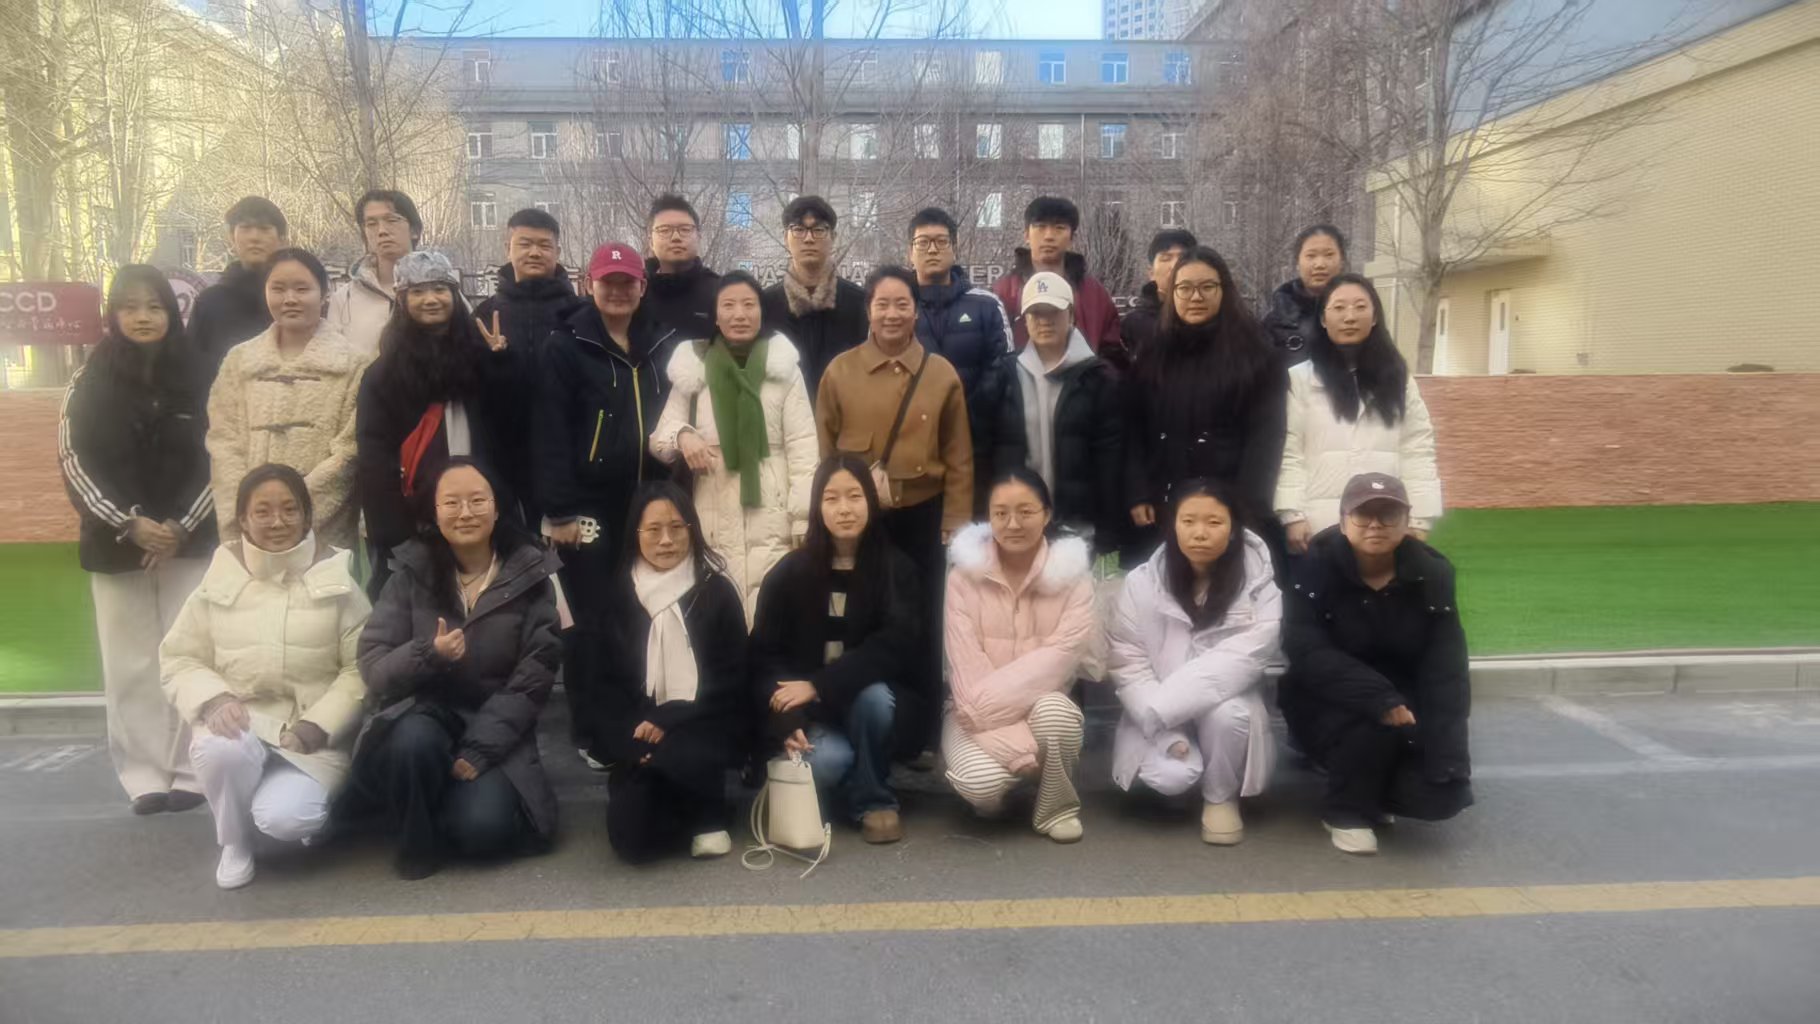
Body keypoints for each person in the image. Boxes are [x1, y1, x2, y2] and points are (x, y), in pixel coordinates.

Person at [160, 464, 370, 889]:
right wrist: (215, 699)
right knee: (220, 750)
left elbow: (360, 667)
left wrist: (317, 726)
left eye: (290, 509)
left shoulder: (339, 582)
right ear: (243, 519)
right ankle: (234, 842)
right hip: (243, 725)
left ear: (307, 517)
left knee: (288, 819)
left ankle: (278, 807)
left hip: (310, 739)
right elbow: (180, 657)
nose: (277, 521)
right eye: (263, 511)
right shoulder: (218, 580)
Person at [355, 459, 562, 879]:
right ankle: (416, 839)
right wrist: (427, 654)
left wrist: (480, 748)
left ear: (497, 508)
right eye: (451, 502)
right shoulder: (410, 572)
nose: (465, 513)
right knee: (411, 742)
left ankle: (452, 799)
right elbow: (374, 664)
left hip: (496, 726)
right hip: (425, 714)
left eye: (477, 501)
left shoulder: (531, 574)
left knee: (483, 832)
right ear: (434, 512)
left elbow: (533, 680)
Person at [58, 265, 215, 814]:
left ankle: (193, 768)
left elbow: (221, 453)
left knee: (191, 652)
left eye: (154, 306)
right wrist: (128, 524)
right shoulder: (88, 379)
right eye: (130, 307)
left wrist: (179, 526)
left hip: (188, 539)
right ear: (113, 315)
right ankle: (144, 773)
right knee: (129, 663)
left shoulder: (202, 374)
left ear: (172, 312)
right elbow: (74, 460)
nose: (143, 317)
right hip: (115, 541)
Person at [534, 242, 677, 765]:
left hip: (648, 500)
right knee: (591, 619)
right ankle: (592, 730)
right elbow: (549, 430)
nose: (617, 291)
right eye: (607, 282)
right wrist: (560, 510)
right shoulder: (567, 344)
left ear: (642, 286)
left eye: (627, 282)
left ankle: (639, 716)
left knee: (643, 609)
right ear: (588, 285)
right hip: (588, 505)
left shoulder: (661, 341)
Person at [1278, 473, 1472, 855]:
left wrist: (1449, 758)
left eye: (1388, 515)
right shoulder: (1312, 567)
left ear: (1407, 521)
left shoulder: (1433, 573)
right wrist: (1379, 697)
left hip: (1403, 700)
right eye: (1363, 515)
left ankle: (1370, 788)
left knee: (1440, 796)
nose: (1375, 525)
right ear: (1343, 520)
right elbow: (1306, 651)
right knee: (1372, 728)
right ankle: (1344, 811)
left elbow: (1446, 671)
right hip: (1325, 698)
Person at [815, 266, 972, 740]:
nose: (892, 314)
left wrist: (956, 520)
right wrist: (830, 509)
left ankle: (920, 733)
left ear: (916, 311)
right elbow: (823, 449)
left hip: (924, 518)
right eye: (882, 304)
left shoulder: (940, 374)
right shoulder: (840, 371)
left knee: (924, 620)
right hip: (861, 521)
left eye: (902, 303)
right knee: (863, 617)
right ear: (868, 310)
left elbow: (959, 455)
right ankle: (858, 721)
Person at [751, 455, 924, 844]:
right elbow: (763, 656)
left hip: (873, 705)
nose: (844, 509)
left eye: (854, 496)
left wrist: (819, 685)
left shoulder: (896, 569)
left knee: (874, 698)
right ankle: (855, 778)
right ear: (817, 506)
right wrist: (786, 719)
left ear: (871, 501)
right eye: (831, 498)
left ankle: (875, 800)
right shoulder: (789, 573)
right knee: (829, 762)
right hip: (814, 716)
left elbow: (894, 646)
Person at [1107, 478, 1280, 845]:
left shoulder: (1259, 585)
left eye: (1214, 522)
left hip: (1218, 701)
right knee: (1171, 778)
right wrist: (1165, 729)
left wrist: (1163, 708)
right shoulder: (1141, 582)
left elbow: (1247, 656)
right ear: (1172, 525)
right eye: (1188, 521)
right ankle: (1189, 769)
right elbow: (1128, 664)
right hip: (1155, 705)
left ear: (1233, 528)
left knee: (1228, 715)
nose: (1200, 533)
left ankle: (1220, 797)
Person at [585, 483, 747, 863]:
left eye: (677, 528)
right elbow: (601, 685)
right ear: (635, 533)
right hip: (638, 731)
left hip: (701, 723)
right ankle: (685, 806)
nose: (666, 540)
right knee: (631, 841)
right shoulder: (618, 596)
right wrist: (632, 741)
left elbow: (733, 677)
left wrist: (670, 717)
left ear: (692, 529)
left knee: (685, 757)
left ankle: (708, 809)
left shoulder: (716, 592)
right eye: (653, 529)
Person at [357, 251, 533, 596]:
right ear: (402, 299)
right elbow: (374, 455)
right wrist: (394, 532)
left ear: (454, 294)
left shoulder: (480, 357)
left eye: (440, 289)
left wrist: (503, 364)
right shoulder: (383, 374)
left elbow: (512, 429)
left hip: (484, 511)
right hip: (416, 519)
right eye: (418, 291)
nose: (431, 299)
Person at [650, 271, 817, 620]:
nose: (739, 314)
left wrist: (803, 519)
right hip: (711, 506)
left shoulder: (784, 369)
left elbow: (803, 448)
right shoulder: (693, 368)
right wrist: (684, 435)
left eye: (748, 305)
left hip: (772, 509)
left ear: (761, 311)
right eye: (728, 305)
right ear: (715, 315)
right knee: (719, 609)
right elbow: (660, 442)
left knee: (772, 608)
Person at [942, 468, 1094, 843]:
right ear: (989, 517)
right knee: (980, 786)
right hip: (970, 711)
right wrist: (1019, 750)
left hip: (1037, 707)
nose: (1013, 524)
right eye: (1001, 513)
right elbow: (965, 668)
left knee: (1057, 715)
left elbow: (1061, 657)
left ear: (1047, 514)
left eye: (1025, 512)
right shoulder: (962, 578)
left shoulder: (1073, 578)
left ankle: (1057, 806)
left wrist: (1000, 726)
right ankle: (1023, 778)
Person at [1122, 246, 1286, 568]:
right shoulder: (1153, 354)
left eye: (1207, 287)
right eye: (1184, 288)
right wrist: (1138, 491)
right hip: (1165, 500)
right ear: (1171, 293)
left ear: (1224, 290)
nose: (1195, 297)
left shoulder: (1256, 354)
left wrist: (1247, 505)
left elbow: (1266, 437)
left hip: (1231, 502)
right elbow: (1134, 428)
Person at [207, 248, 370, 551]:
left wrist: (296, 513)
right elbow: (223, 442)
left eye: (302, 289)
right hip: (250, 533)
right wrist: (251, 514)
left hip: (324, 534)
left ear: (324, 293)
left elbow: (349, 451)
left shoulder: (354, 364)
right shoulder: (240, 361)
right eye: (278, 288)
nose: (290, 299)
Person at [1278, 274, 1442, 550]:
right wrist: (1292, 515)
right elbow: (1289, 452)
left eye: (1360, 307)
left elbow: (1418, 449)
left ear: (1375, 316)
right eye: (1339, 308)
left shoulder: (1398, 379)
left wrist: (1419, 519)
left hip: (1384, 523)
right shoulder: (1298, 380)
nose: (1350, 317)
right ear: (1323, 319)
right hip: (1319, 526)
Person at [907, 207, 1024, 513]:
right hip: (914, 451)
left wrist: (962, 417)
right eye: (923, 242)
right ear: (910, 252)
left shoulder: (986, 305)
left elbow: (1003, 369)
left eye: (941, 241)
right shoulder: (897, 308)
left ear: (954, 248)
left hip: (978, 448)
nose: (932, 249)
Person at [1011, 272, 1124, 554]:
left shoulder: (1100, 379)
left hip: (1078, 528)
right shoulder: (1004, 376)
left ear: (1071, 315)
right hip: (1016, 524)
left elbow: (1110, 461)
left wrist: (1108, 529)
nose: (1044, 320)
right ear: (1025, 320)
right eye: (1036, 313)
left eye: (1053, 312)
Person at [760, 196, 868, 402]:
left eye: (818, 230)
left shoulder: (858, 303)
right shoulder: (766, 305)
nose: (808, 238)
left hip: (844, 416)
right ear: (785, 237)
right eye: (798, 230)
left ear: (833, 237)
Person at [988, 196, 1121, 358]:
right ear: (1026, 235)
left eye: (1059, 228)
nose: (1049, 236)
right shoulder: (1004, 292)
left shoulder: (1094, 294)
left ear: (1072, 238)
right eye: (1040, 227)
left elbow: (1113, 354)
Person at [472, 207, 589, 361]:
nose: (535, 253)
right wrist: (495, 358)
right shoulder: (484, 315)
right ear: (508, 249)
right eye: (525, 244)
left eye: (545, 245)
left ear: (557, 252)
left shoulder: (582, 313)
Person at [190, 196, 288, 378]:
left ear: (282, 239)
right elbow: (193, 371)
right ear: (231, 237)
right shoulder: (209, 303)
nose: (254, 237)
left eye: (264, 229)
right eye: (245, 228)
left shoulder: (295, 300)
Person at [330, 189, 422, 355]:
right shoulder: (343, 300)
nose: (381, 231)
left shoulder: (441, 292)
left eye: (392, 220)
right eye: (371, 224)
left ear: (414, 230)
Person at [1261, 225, 1346, 367]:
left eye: (1329, 255)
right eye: (1311, 256)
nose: (1320, 264)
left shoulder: (1358, 314)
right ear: (1297, 263)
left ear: (1342, 261)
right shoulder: (1275, 322)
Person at [642, 193, 721, 341]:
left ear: (699, 237)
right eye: (664, 230)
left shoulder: (720, 291)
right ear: (651, 242)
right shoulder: (637, 291)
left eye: (685, 229)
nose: (676, 237)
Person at [1119, 228, 1197, 365]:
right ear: (1151, 273)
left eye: (1183, 258)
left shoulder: (1218, 320)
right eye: (1166, 258)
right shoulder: (1132, 326)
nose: (1175, 265)